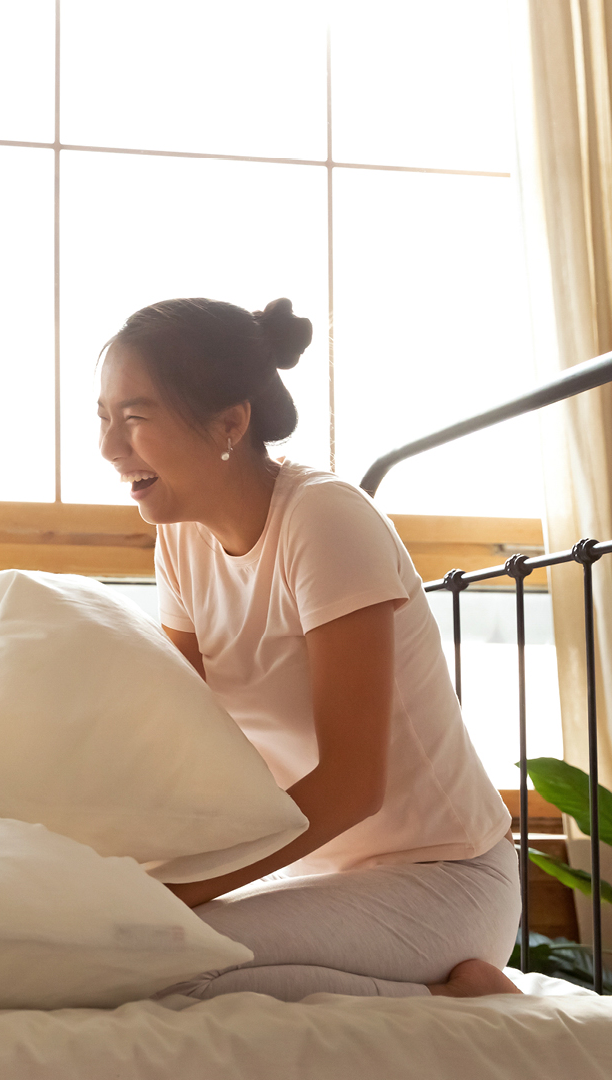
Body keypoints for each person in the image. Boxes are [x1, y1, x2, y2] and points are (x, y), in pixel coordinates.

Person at [92, 296, 519, 1000]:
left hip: (444, 881)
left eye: (134, 418)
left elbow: (354, 784)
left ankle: (456, 1000)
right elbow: (172, 724)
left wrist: (183, 890)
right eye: (103, 418)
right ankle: (441, 996)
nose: (110, 447)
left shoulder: (324, 519)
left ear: (231, 422)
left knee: (162, 969)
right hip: (319, 874)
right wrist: (11, 709)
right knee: (111, 951)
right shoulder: (181, 532)